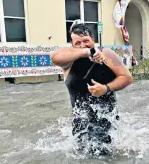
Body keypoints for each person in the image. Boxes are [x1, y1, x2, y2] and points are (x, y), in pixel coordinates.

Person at [51, 21, 133, 155]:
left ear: (93, 39)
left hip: (107, 122)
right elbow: (54, 57)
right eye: (78, 43)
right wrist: (86, 52)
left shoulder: (107, 54)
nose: (83, 44)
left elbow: (127, 77)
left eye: (86, 41)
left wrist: (106, 88)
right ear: (72, 45)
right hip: (81, 126)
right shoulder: (68, 62)